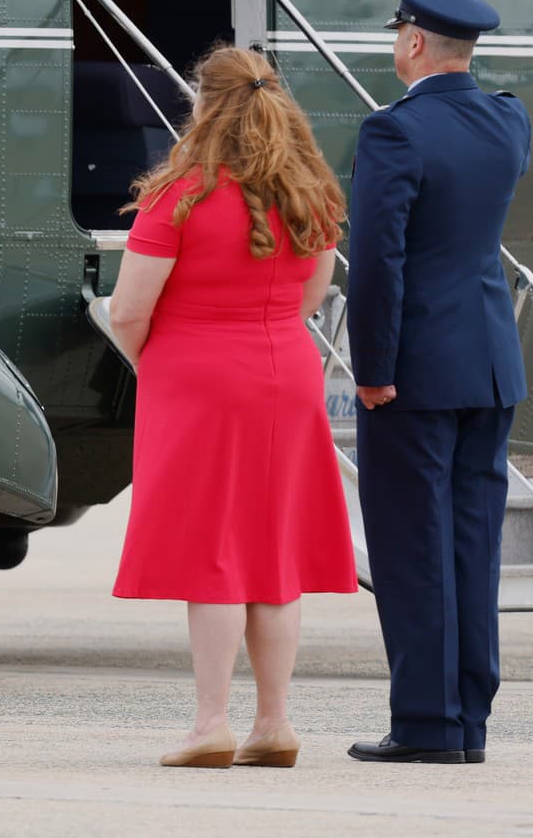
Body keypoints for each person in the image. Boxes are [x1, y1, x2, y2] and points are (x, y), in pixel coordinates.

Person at [110, 46, 358, 768]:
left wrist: (156, 358)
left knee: (212, 551)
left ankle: (211, 722)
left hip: (198, 376)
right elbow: (314, 296)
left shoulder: (177, 194)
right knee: (273, 551)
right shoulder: (308, 189)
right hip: (286, 368)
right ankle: (274, 722)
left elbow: (129, 310)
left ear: (203, 105)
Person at [346, 0, 532, 765]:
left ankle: (427, 724)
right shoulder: (508, 124)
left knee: (412, 545)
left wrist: (372, 366)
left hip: (416, 369)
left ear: (415, 42)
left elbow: (378, 261)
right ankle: (470, 723)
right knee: (470, 545)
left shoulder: (394, 133)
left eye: (398, 35)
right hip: (490, 361)